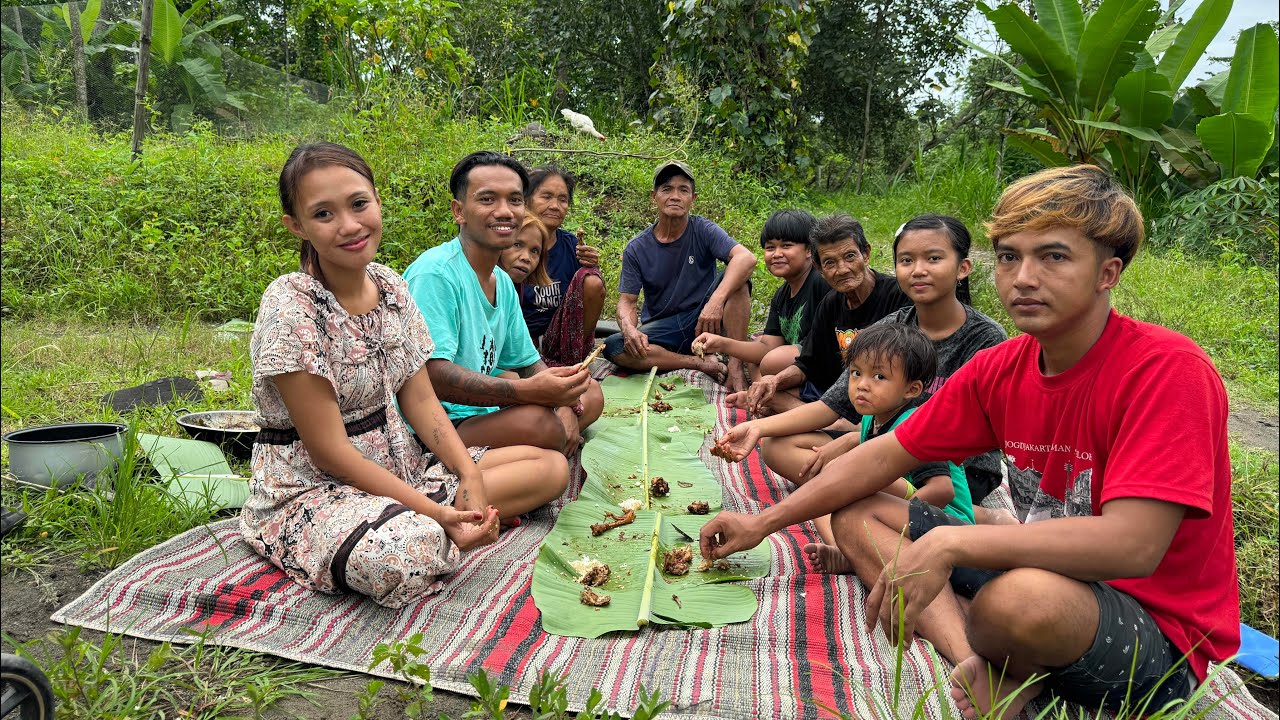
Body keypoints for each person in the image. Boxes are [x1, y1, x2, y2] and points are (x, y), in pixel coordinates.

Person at [700, 165, 1239, 719]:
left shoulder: (1166, 371)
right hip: (1048, 570)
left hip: (1155, 628)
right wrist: (760, 524)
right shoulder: (1002, 368)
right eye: (1009, 256)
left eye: (1053, 256)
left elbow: (1133, 545)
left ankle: (991, 638)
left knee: (1016, 602)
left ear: (1109, 272)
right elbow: (881, 456)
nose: (1023, 277)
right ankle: (975, 666)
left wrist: (951, 544)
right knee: (855, 508)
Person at [241, 142, 569, 609]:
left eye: (359, 204)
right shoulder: (292, 305)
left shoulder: (391, 287)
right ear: (297, 226)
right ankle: (437, 526)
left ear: (377, 201)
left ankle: (440, 520)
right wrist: (436, 510)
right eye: (324, 214)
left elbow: (420, 400)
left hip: (402, 464)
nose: (350, 226)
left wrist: (466, 470)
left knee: (551, 468)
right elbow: (330, 452)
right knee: (402, 551)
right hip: (315, 488)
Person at [726, 215, 1006, 505]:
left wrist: (856, 442)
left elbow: (968, 429)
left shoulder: (985, 339)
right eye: (907, 260)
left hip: (953, 469)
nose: (918, 270)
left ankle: (857, 496)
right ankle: (857, 494)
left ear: (963, 268)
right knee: (776, 447)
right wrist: (757, 428)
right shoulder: (888, 328)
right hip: (886, 448)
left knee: (843, 474)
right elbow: (830, 405)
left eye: (933, 259)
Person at [403, 151, 604, 457]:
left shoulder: (502, 280)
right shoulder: (436, 273)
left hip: (484, 410)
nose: (505, 211)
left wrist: (560, 401)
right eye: (487, 200)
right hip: (437, 423)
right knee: (543, 425)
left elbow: (527, 363)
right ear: (459, 211)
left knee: (591, 393)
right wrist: (528, 394)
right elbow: (432, 375)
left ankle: (535, 450)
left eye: (514, 200)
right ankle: (538, 450)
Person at [602, 160, 756, 389]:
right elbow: (627, 302)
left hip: (705, 321)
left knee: (738, 282)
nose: (675, 196)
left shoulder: (703, 229)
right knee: (615, 346)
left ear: (692, 199)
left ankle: (734, 367)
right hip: (664, 328)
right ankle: (697, 362)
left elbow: (746, 258)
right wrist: (629, 330)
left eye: (683, 190)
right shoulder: (637, 247)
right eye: (667, 189)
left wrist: (714, 303)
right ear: (654, 196)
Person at [741, 213, 910, 416]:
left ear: (865, 254)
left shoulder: (898, 297)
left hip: (879, 399)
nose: (842, 270)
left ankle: (830, 422)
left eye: (850, 257)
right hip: (836, 395)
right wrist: (774, 381)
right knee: (771, 393)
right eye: (830, 263)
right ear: (819, 268)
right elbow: (807, 364)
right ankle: (826, 420)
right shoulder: (830, 304)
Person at [692, 209, 829, 388]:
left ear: (809, 250)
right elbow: (766, 346)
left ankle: (773, 394)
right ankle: (764, 391)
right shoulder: (781, 296)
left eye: (786, 245)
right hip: (797, 362)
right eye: (770, 247)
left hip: (822, 360)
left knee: (770, 362)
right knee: (754, 350)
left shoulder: (820, 281)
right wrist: (721, 344)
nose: (777, 254)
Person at [521, 166, 607, 366]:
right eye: (546, 197)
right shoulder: (510, 243)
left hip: (559, 337)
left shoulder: (572, 247)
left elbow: (588, 297)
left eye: (562, 199)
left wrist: (592, 267)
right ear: (526, 200)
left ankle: (573, 356)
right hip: (520, 335)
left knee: (592, 280)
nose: (555, 206)